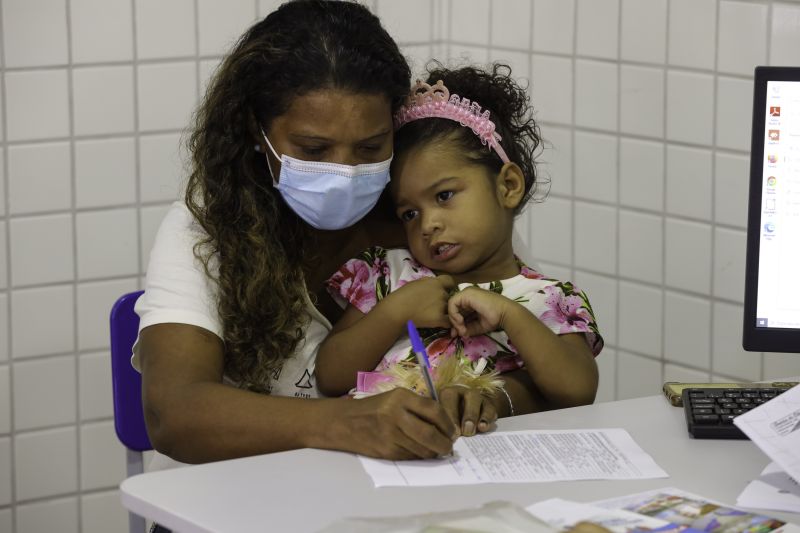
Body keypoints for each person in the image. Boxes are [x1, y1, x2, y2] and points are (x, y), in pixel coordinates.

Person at [133, 0, 501, 469]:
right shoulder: (205, 231)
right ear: (256, 131)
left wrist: (490, 397)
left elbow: (532, 333)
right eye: (313, 149)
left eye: (370, 147)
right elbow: (173, 415)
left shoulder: (427, 220)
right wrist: (347, 422)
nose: (344, 172)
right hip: (233, 495)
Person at [316, 64, 603, 436]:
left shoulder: (546, 299)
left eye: (444, 195)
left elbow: (579, 391)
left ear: (508, 186)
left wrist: (509, 315)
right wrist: (396, 311)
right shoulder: (390, 274)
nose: (428, 224)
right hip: (375, 452)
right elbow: (330, 376)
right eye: (409, 213)